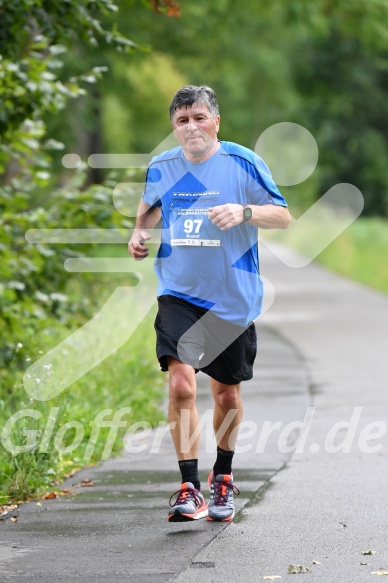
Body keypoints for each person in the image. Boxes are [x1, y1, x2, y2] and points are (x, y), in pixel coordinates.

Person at [128, 85, 290, 523]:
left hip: (231, 299)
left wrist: (245, 212)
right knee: (181, 384)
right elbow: (148, 209)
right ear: (174, 128)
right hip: (178, 292)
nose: (191, 127)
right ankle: (187, 487)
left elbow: (283, 213)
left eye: (199, 118)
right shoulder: (163, 166)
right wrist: (139, 233)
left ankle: (222, 476)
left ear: (215, 121)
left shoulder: (242, 162)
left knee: (227, 395)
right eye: (182, 121)